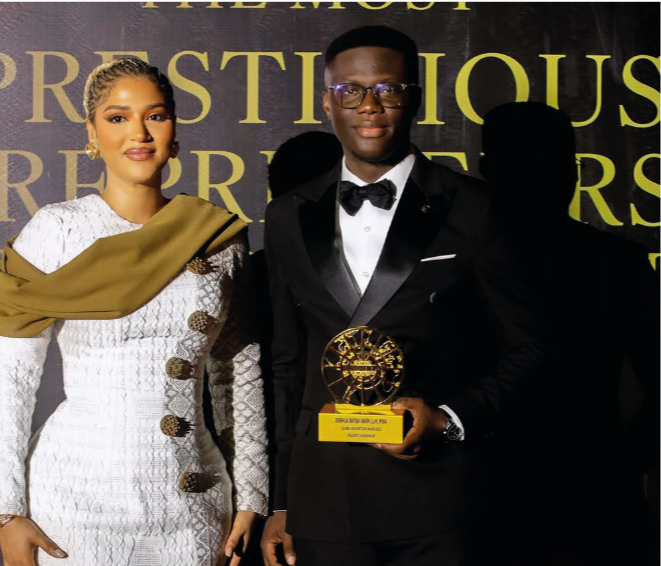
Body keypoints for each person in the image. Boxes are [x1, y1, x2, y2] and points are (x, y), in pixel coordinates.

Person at [261, 26, 553, 566]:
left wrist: (449, 418)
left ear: (414, 98)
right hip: (325, 502)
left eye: (388, 90)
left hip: (442, 502)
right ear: (327, 103)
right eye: (350, 90)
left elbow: (532, 346)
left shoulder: (476, 208)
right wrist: (281, 500)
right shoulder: (286, 216)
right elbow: (285, 363)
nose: (369, 106)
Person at [0, 58, 268, 566]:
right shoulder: (56, 230)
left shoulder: (218, 238)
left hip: (194, 502)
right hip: (72, 501)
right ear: (92, 133)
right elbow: (12, 378)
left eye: (155, 116)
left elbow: (237, 374)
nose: (139, 132)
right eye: (117, 118)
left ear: (174, 130)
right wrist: (6, 511)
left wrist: (251, 495)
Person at [480, 101, 661, 566]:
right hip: (507, 508)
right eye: (525, 165)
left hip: (566, 511)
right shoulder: (618, 262)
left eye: (552, 164)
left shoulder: (619, 264)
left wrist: (611, 471)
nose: (540, 179)